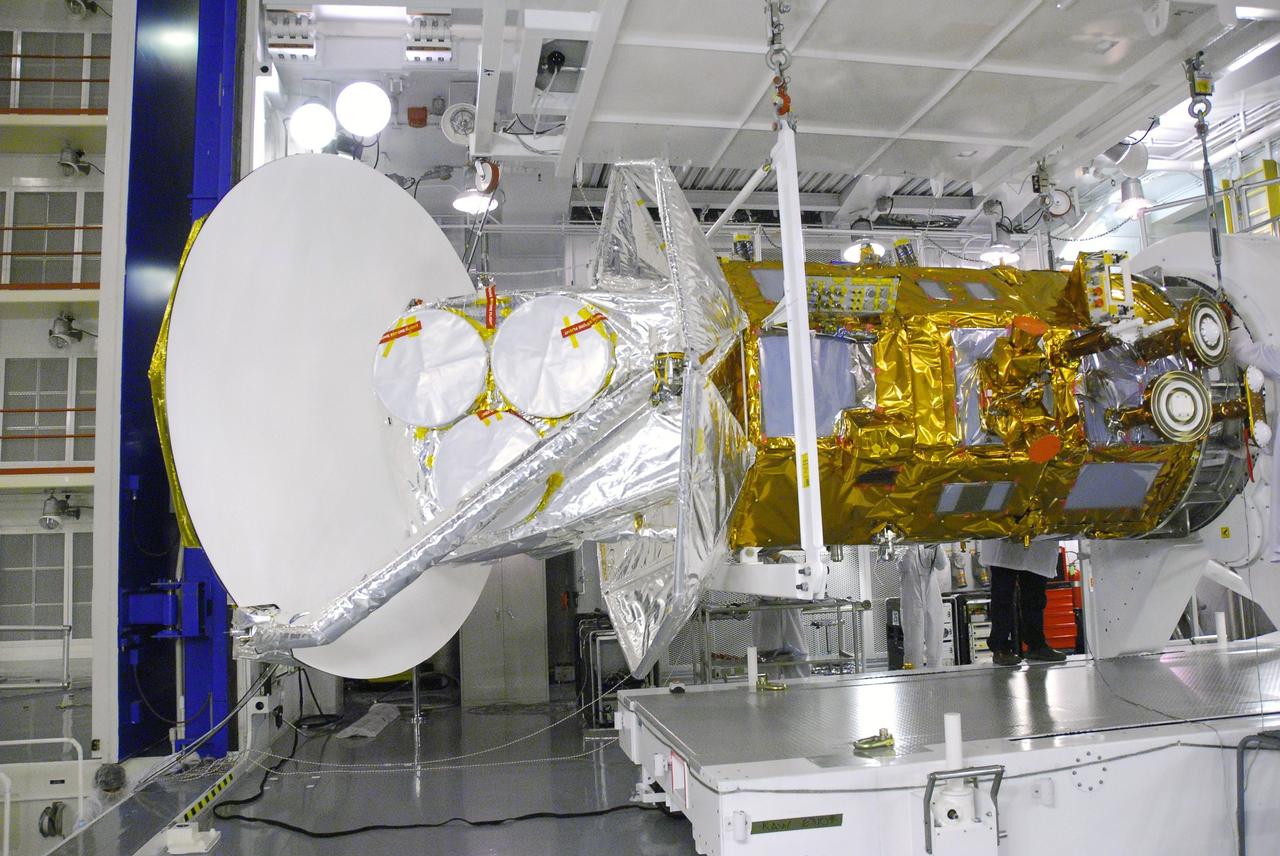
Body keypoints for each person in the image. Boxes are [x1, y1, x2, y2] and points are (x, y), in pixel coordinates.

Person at [978, 538, 1067, 666]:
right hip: (1005, 540)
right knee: (1003, 596)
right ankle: (1000, 646)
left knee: (1035, 597)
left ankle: (1036, 645)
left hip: (1038, 542)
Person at [896, 543, 948, 669]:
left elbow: (941, 565)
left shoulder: (930, 544)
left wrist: (936, 544)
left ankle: (936, 679)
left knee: (935, 642)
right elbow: (904, 566)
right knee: (913, 645)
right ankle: (912, 681)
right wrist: (911, 545)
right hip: (912, 602)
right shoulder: (901, 546)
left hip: (932, 599)